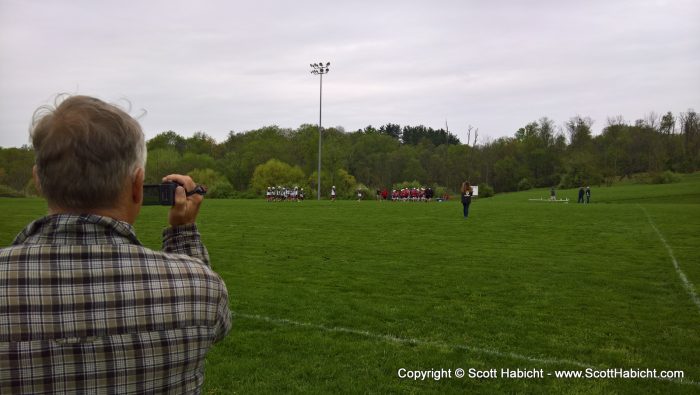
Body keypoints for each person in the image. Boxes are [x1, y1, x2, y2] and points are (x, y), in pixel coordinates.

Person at [0, 95, 231, 394]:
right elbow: (216, 325)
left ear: (38, 181)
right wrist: (183, 231)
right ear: (137, 184)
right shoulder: (203, 287)